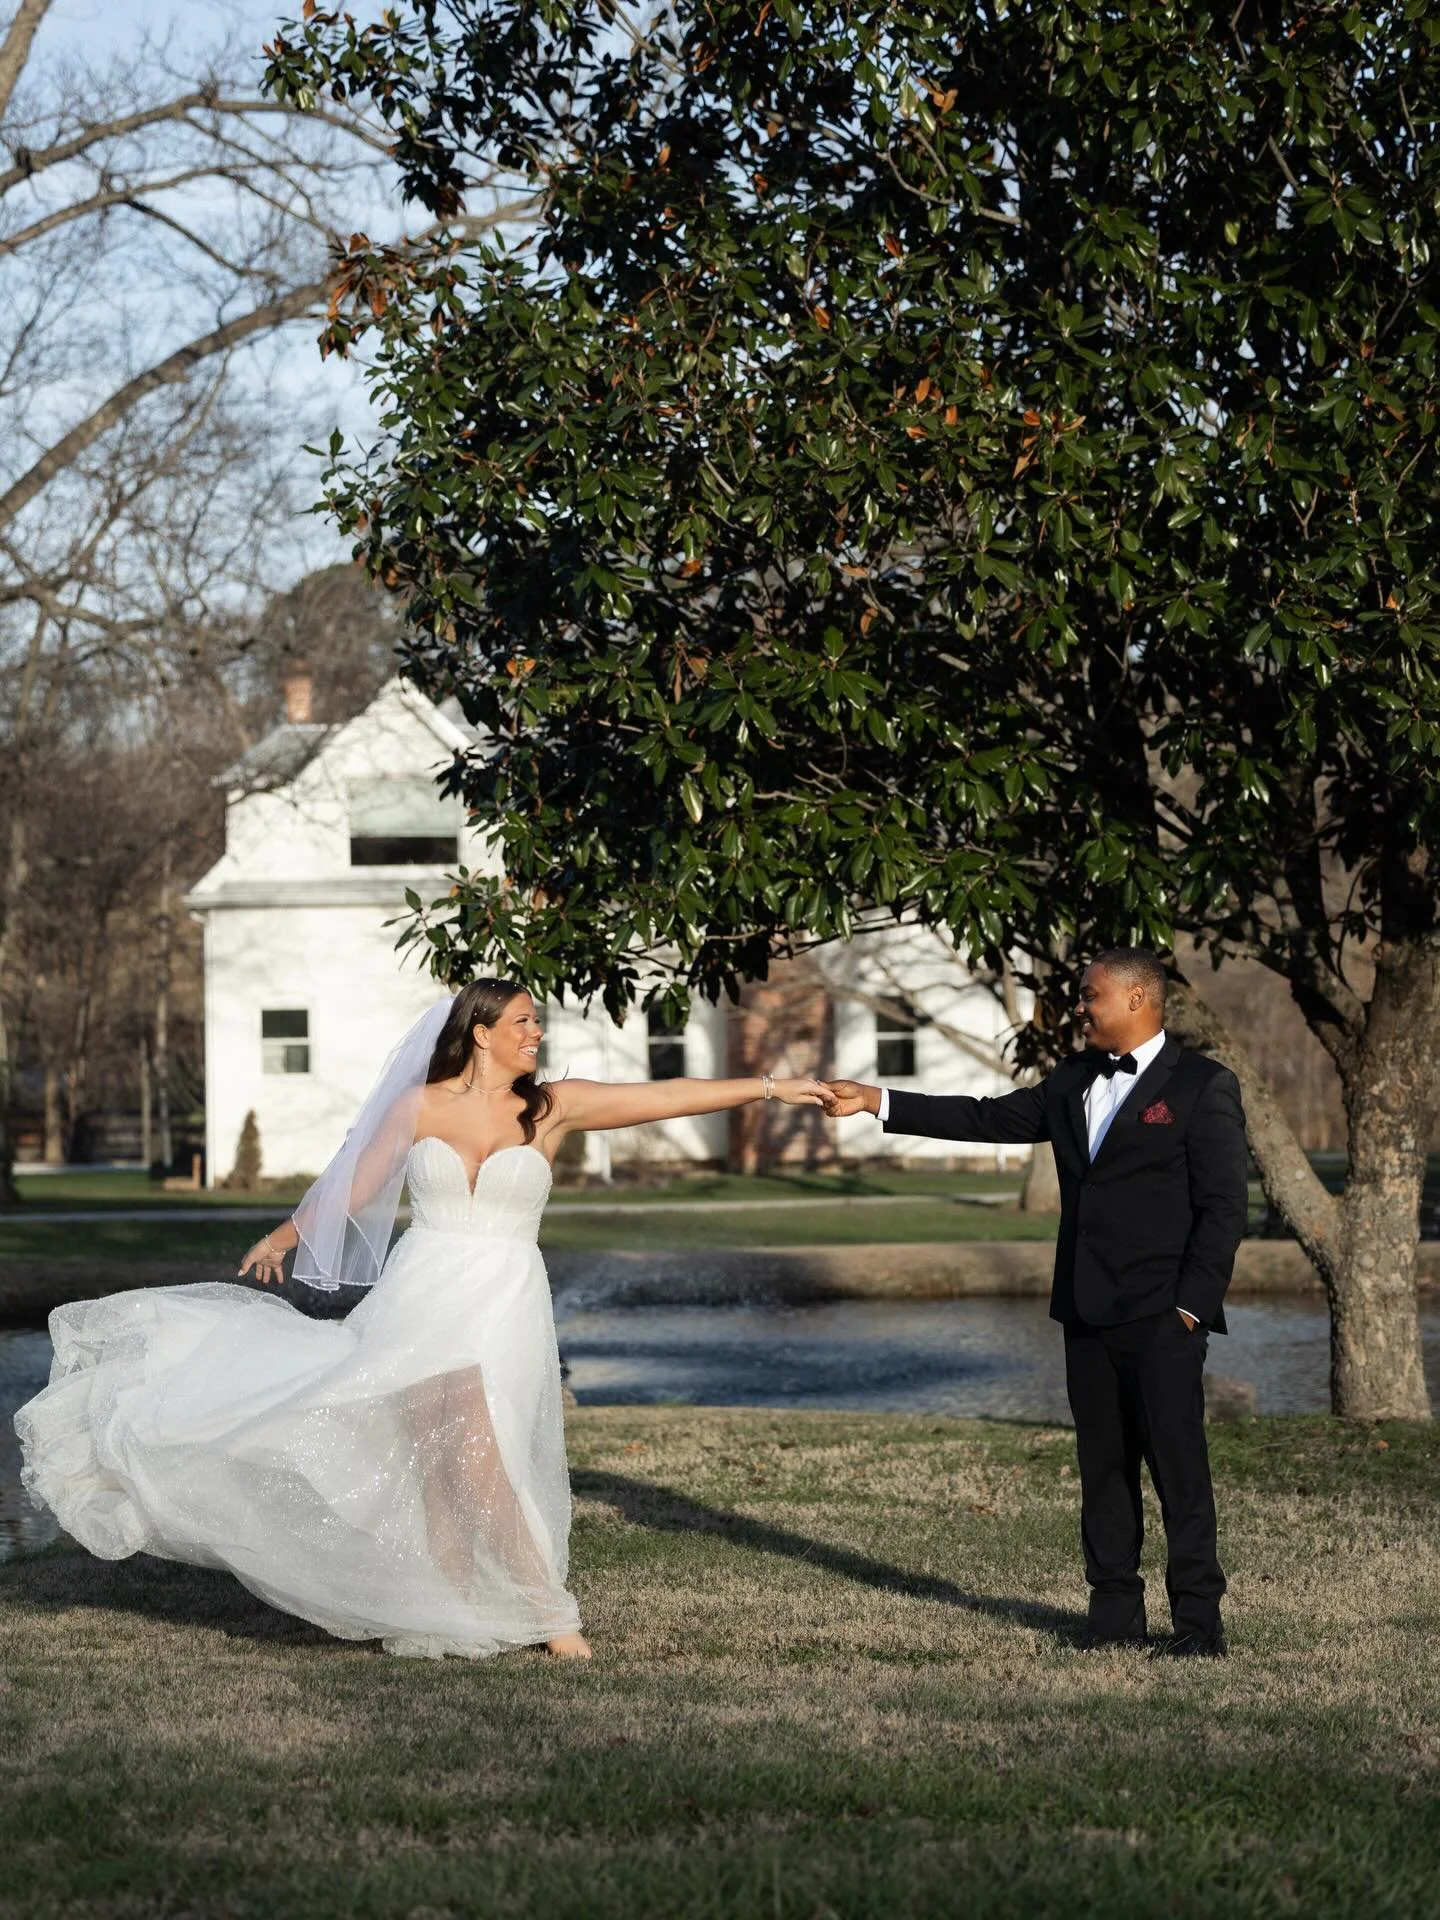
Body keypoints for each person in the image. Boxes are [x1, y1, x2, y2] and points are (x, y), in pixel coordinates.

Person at [15, 979, 828, 1662]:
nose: (536, 1034)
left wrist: (771, 1088)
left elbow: (668, 1097)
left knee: (480, 1453)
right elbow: (354, 1186)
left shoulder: (551, 1109)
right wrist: (286, 1235)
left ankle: (500, 1613)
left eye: (536, 1023)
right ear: (479, 1034)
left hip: (505, 1296)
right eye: (522, 1023)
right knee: (449, 1455)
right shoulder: (418, 1107)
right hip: (425, 1290)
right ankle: (501, 1614)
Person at [824, 948, 1248, 1657]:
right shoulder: (1074, 1079)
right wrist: (877, 1101)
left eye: (1091, 996)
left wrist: (1190, 1311)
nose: (1078, 1008)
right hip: (1085, 1312)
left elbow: (1224, 1209)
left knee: (1180, 1473)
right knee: (1103, 1472)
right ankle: (1113, 1619)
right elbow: (988, 1118)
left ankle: (1199, 1626)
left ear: (1140, 999)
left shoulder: (1205, 1086)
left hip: (1162, 1318)